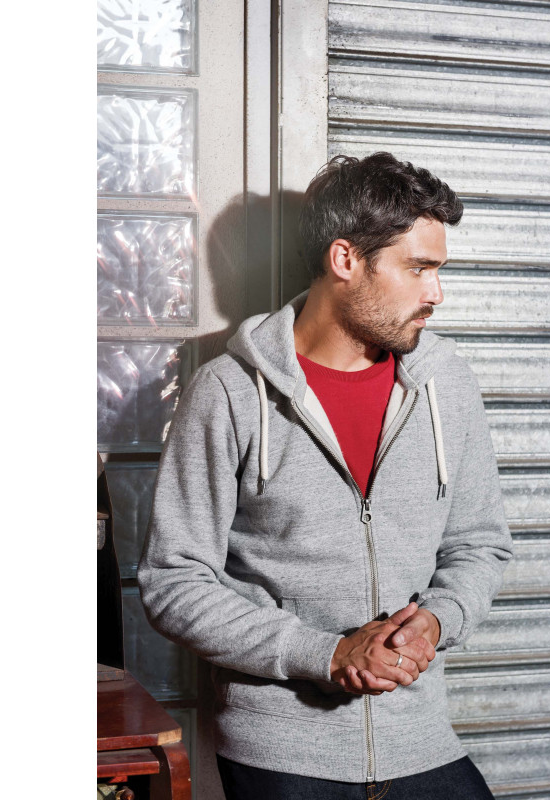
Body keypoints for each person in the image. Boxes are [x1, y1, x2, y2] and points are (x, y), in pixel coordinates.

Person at [138, 152, 514, 799]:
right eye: (417, 268)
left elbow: (479, 544)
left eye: (438, 270)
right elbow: (174, 580)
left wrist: (437, 620)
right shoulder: (230, 392)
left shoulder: (446, 383)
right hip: (284, 756)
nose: (436, 294)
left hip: (421, 738)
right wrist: (327, 654)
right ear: (345, 260)